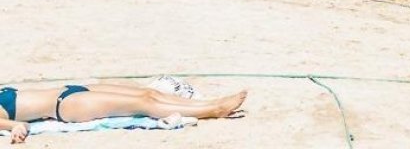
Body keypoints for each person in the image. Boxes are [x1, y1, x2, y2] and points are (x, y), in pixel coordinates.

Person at [0, 82, 247, 136]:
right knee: (144, 105)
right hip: (65, 106)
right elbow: (19, 125)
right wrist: (16, 131)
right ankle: (213, 110)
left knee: (148, 94)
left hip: (71, 89)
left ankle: (209, 103)